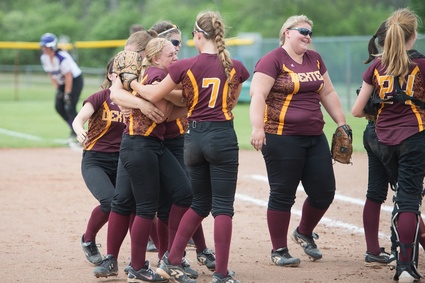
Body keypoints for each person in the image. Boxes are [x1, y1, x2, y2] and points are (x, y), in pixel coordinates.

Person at [111, 10, 250, 283]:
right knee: (221, 207)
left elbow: (158, 97)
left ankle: (171, 258)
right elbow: (228, 102)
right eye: (171, 50)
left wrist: (132, 83)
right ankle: (218, 272)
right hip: (218, 134)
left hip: (193, 137)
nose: (176, 52)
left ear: (198, 35)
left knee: (193, 199)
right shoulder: (236, 65)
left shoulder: (184, 66)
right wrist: (136, 89)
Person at [249, 15, 348, 268]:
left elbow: (327, 91)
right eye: (303, 31)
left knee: (324, 191)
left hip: (314, 135)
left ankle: (304, 232)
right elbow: (257, 94)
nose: (308, 36)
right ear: (287, 33)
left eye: (310, 33)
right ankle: (279, 250)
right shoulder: (273, 59)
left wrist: (341, 123)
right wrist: (257, 128)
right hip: (281, 136)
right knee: (283, 194)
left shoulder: (314, 59)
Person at [352, 8, 425, 283]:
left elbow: (357, 111)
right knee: (408, 199)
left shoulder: (376, 66)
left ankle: (387, 255)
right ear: (413, 35)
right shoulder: (422, 65)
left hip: (380, 138)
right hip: (413, 138)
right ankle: (405, 266)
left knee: (378, 193)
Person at [92, 29, 165, 279]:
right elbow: (116, 95)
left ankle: (168, 258)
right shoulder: (129, 72)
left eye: (131, 54)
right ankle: (112, 259)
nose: (126, 59)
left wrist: (138, 101)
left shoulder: (155, 70)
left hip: (156, 142)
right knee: (123, 201)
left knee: (152, 205)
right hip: (132, 141)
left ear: (145, 53)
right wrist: (142, 103)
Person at [151, 20, 216, 276]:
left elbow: (185, 96)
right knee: (171, 202)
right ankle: (168, 256)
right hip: (161, 142)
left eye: (179, 43)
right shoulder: (156, 71)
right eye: (174, 44)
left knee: (187, 197)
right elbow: (166, 105)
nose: (179, 49)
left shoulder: (174, 67)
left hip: (178, 138)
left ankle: (190, 251)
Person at [71, 58, 124, 265]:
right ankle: (88, 239)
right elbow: (78, 119)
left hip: (122, 161)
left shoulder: (132, 100)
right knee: (110, 202)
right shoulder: (100, 97)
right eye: (120, 72)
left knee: (131, 205)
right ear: (111, 76)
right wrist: (78, 131)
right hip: (96, 160)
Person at [39, 33, 84, 143]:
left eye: (46, 46)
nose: (44, 48)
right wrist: (58, 89)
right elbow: (51, 74)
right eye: (43, 46)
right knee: (59, 107)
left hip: (75, 81)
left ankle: (80, 133)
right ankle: (73, 130)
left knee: (69, 107)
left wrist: (67, 94)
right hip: (63, 83)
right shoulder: (44, 58)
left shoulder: (61, 57)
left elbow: (69, 76)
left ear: (52, 46)